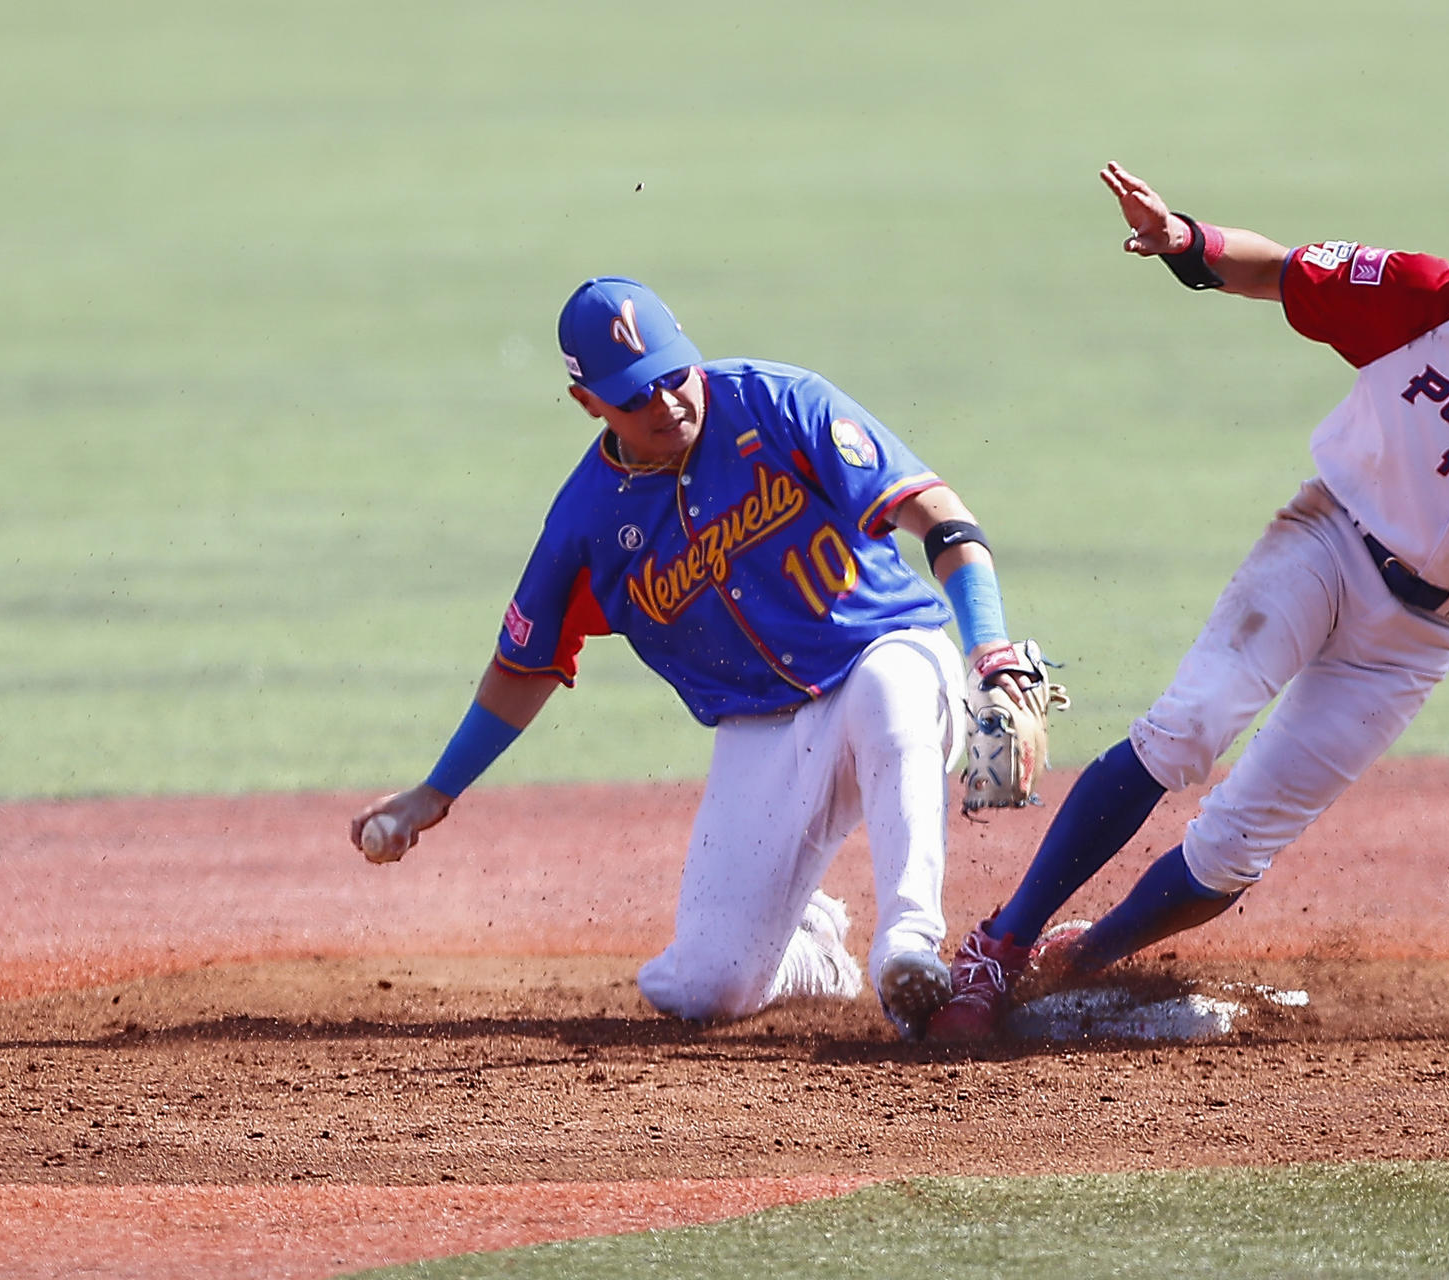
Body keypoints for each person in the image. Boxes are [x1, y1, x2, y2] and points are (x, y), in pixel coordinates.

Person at [926, 136, 1449, 1041]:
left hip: (1424, 641)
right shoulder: (1443, 302)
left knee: (1233, 849)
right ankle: (999, 948)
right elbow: (1285, 272)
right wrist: (1185, 239)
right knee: (1187, 730)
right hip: (1329, 543)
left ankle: (1071, 966)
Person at [351, 276, 1032, 1040]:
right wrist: (432, 793)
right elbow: (523, 666)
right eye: (639, 395)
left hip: (891, 659)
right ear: (589, 405)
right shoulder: (587, 524)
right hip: (760, 733)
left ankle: (908, 944)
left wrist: (991, 654)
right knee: (706, 988)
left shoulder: (777, 403)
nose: (670, 402)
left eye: (676, 375)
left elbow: (939, 516)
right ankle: (813, 953)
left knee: (888, 688)